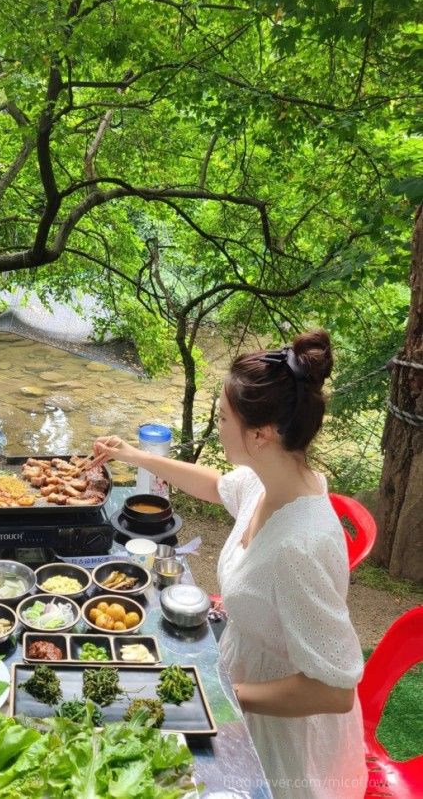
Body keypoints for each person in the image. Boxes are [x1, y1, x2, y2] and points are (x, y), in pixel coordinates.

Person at [91, 330, 367, 799]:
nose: (216, 426)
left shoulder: (299, 546)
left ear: (260, 434)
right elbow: (218, 485)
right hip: (242, 675)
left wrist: (223, 695)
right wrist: (132, 456)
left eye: (222, 417)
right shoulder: (273, 481)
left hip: (284, 733)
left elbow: (333, 690)